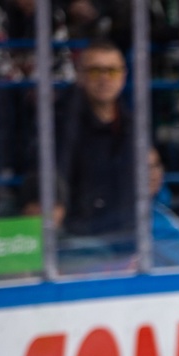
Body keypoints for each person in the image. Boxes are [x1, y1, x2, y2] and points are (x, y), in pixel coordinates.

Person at [58, 39, 135, 241]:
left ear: (124, 76)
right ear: (80, 75)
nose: (104, 79)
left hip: (127, 237)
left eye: (112, 71)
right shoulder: (61, 123)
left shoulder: (134, 125)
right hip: (78, 239)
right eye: (95, 71)